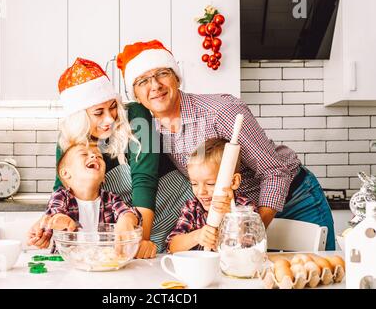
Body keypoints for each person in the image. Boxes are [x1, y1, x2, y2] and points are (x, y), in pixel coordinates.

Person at [117, 40, 336, 250]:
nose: (155, 85)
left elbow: (275, 172)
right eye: (142, 81)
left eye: (162, 73)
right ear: (135, 94)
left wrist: (249, 230)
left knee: (319, 275)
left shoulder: (221, 112)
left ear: (177, 78)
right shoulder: (150, 131)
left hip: (295, 199)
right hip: (239, 214)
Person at [27, 57, 195, 256]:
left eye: (113, 106)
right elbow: (63, 190)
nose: (109, 119)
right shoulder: (67, 140)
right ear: (78, 117)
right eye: (98, 112)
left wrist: (141, 241)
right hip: (128, 219)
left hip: (174, 208)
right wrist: (47, 223)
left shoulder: (136, 115)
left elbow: (144, 180)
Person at [36, 142, 141, 253]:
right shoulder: (61, 196)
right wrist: (58, 219)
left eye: (99, 156)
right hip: (67, 264)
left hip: (105, 263)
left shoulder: (111, 199)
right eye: (83, 154)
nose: (94, 156)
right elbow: (54, 211)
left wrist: (127, 219)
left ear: (103, 178)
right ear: (66, 173)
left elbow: (129, 212)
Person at [166, 138, 256, 253]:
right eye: (194, 183)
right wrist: (196, 236)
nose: (201, 191)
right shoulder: (193, 208)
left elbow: (253, 245)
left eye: (210, 184)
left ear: (233, 181)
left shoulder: (245, 207)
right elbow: (172, 246)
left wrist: (232, 216)